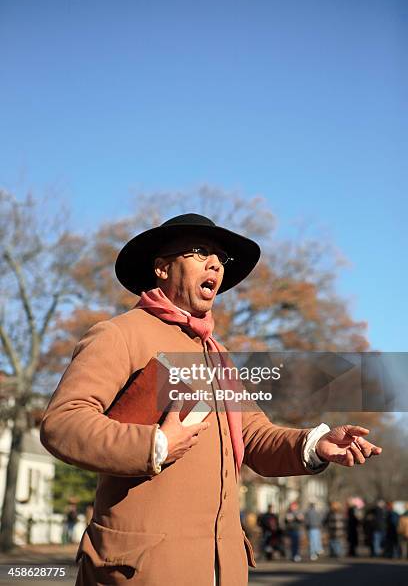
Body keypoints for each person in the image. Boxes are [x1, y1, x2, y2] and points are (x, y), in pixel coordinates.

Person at [40, 213, 382, 585]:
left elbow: (255, 436)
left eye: (220, 257)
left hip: (222, 571)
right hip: (142, 571)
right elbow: (63, 421)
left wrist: (316, 444)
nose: (215, 263)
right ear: (162, 268)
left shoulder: (219, 355)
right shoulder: (120, 334)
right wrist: (154, 445)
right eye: (200, 251)